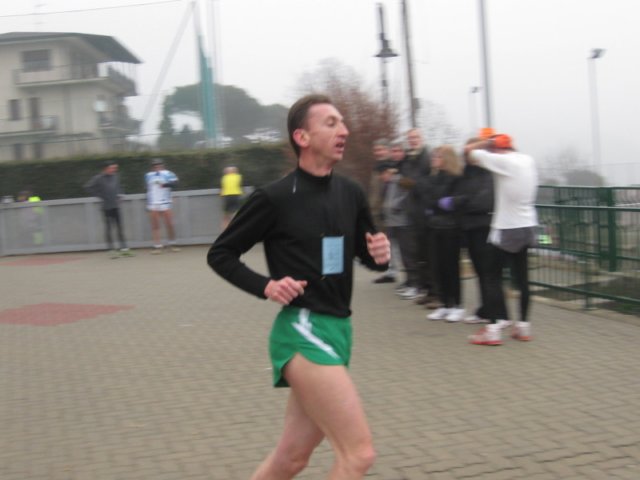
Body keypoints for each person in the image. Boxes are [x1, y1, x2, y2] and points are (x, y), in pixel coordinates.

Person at [208, 94, 390, 479]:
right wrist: (266, 286)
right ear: (302, 137)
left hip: (339, 329)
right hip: (303, 329)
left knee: (291, 459)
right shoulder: (274, 198)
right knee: (358, 455)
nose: (343, 130)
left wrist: (380, 255)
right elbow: (221, 254)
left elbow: (366, 254)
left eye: (342, 122)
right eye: (331, 123)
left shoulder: (351, 193)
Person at [464, 133, 539, 345]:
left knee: (491, 278)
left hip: (506, 228)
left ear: (497, 148)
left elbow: (468, 152)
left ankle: (493, 329)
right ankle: (523, 327)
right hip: (528, 225)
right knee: (522, 279)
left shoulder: (502, 161)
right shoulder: (528, 160)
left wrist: (486, 142)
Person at [421, 146, 466, 322]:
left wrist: (440, 204)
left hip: (451, 228)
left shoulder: (456, 178)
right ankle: (445, 304)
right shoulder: (434, 178)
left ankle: (457, 305)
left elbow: (454, 202)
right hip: (435, 227)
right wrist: (437, 204)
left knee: (451, 268)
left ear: (446, 158)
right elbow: (429, 200)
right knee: (438, 268)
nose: (434, 159)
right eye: (434, 156)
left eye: (438, 156)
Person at [381, 140, 421, 299]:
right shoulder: (394, 170)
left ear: (403, 153)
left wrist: (395, 205)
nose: (395, 154)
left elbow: (408, 192)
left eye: (398, 151)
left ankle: (415, 285)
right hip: (393, 221)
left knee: (409, 254)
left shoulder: (405, 171)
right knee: (402, 255)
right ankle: (409, 282)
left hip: (404, 220)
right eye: (393, 151)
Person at [84, 162, 133, 258]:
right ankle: (111, 250)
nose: (114, 170)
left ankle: (124, 249)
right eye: (112, 168)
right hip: (106, 207)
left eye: (115, 168)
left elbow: (119, 187)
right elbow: (88, 187)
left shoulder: (115, 177)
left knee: (120, 228)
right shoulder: (98, 178)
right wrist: (100, 195)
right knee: (109, 228)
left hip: (116, 206)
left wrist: (120, 195)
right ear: (106, 168)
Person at [369, 138, 396, 284]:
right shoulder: (377, 168)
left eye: (381, 149)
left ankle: (392, 271)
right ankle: (388, 270)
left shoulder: (391, 167)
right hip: (378, 210)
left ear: (387, 150)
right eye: (376, 150)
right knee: (384, 242)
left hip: (388, 211)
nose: (378, 152)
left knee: (391, 243)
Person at [145, 158, 180, 254]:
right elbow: (148, 189)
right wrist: (148, 203)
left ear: (162, 165)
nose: (157, 167)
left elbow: (176, 184)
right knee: (155, 225)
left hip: (165, 202)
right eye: (155, 166)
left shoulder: (168, 173)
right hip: (153, 203)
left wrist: (164, 185)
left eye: (159, 165)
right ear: (152, 167)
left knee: (169, 224)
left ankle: (172, 244)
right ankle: (157, 246)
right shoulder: (148, 175)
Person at [220, 165, 244, 230]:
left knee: (226, 214)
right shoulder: (238, 177)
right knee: (236, 212)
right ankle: (238, 226)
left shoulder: (224, 178)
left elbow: (222, 187)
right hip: (236, 196)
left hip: (227, 196)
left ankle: (225, 228)